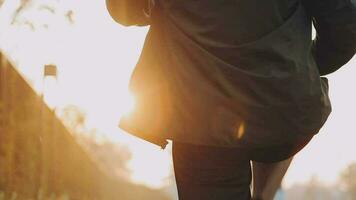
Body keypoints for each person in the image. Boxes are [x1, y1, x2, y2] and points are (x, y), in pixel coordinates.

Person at [107, 0, 356, 199]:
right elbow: (345, 27)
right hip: (281, 107)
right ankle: (264, 193)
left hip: (199, 120)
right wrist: (299, 69)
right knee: (277, 132)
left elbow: (124, 10)